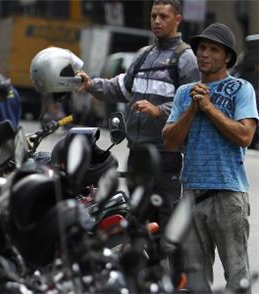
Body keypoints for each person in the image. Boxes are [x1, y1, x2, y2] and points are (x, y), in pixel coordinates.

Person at [77, 0, 199, 227]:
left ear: (178, 19)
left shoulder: (186, 59)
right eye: (154, 16)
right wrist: (91, 84)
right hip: (137, 156)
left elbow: (192, 103)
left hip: (166, 156)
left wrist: (158, 110)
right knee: (137, 226)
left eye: (163, 16)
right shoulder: (144, 55)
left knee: (166, 228)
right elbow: (120, 88)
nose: (157, 21)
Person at [163, 23, 257, 293]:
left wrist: (209, 107)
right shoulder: (185, 93)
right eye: (202, 48)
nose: (204, 54)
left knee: (237, 279)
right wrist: (193, 108)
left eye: (213, 49)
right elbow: (169, 140)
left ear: (227, 56)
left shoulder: (241, 89)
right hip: (191, 195)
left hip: (228, 195)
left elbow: (244, 136)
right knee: (193, 281)